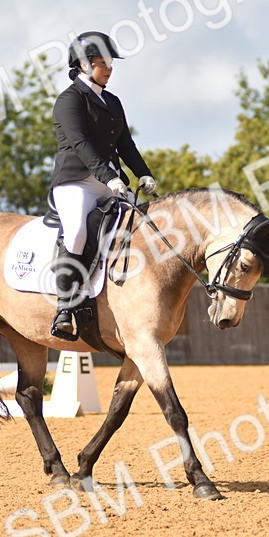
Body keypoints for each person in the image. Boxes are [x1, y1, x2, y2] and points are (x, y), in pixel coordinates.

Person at [48, 31, 157, 340]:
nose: (108, 68)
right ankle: (65, 307)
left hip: (111, 184)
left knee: (140, 229)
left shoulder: (112, 101)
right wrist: (108, 177)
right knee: (79, 232)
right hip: (76, 183)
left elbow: (126, 144)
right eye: (101, 62)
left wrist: (143, 173)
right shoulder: (69, 100)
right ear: (83, 65)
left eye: (110, 62)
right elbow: (80, 143)